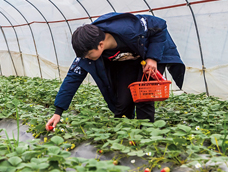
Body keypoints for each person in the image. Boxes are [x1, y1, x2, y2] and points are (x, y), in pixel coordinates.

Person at [46, 12, 185, 129]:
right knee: (123, 100)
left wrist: (152, 58)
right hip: (128, 59)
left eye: (88, 55)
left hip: (153, 50)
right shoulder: (88, 46)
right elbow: (73, 78)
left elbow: (159, 24)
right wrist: (58, 112)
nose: (86, 58)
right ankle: (123, 133)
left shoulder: (129, 29)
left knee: (144, 97)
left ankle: (146, 135)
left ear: (101, 45)